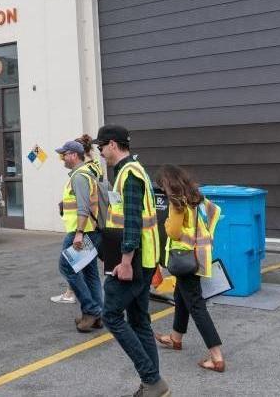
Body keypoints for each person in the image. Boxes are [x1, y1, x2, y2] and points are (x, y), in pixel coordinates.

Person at [97, 125, 171, 397]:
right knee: (139, 321)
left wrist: (126, 261)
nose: (101, 152)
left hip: (134, 261)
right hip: (145, 258)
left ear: (113, 145)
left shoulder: (129, 175)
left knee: (111, 315)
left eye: (101, 147)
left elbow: (132, 221)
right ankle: (153, 386)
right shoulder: (133, 170)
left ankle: (152, 379)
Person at [154, 164, 225, 373]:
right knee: (181, 297)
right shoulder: (197, 198)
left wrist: (166, 222)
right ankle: (175, 338)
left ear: (168, 183)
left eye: (162, 185)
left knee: (196, 305)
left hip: (185, 260)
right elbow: (215, 212)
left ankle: (216, 356)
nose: (162, 190)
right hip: (198, 257)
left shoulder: (176, 202)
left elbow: (174, 232)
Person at [56, 139, 104, 333]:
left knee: (67, 267)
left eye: (64, 154)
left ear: (74, 155)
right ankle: (97, 315)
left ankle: (91, 311)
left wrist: (78, 234)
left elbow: (83, 208)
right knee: (90, 272)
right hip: (90, 231)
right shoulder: (85, 173)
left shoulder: (79, 176)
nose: (62, 158)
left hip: (82, 232)